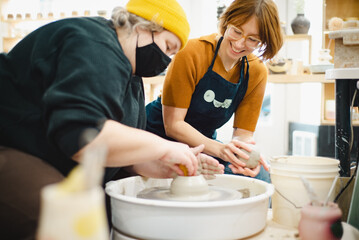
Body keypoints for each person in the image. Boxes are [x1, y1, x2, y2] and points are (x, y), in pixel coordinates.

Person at [0, 0, 224, 239]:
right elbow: (81, 137)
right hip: (12, 145)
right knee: (68, 221)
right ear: (143, 27)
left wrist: (160, 163)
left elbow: (112, 150)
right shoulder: (92, 43)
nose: (166, 60)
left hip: (56, 155)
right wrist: (164, 146)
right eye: (167, 46)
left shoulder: (132, 78)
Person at [146, 0, 283, 182]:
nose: (240, 43)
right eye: (236, 31)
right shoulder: (192, 52)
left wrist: (245, 158)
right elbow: (173, 126)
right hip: (158, 136)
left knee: (261, 177)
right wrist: (222, 150)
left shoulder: (256, 72)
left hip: (204, 145)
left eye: (252, 39)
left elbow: (243, 135)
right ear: (226, 23)